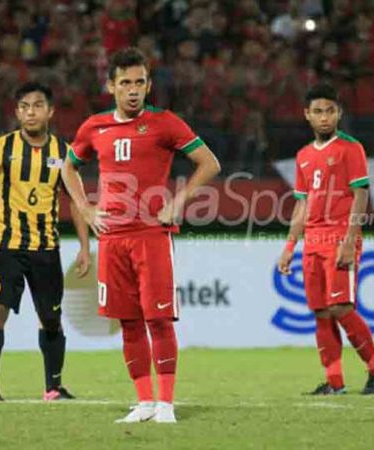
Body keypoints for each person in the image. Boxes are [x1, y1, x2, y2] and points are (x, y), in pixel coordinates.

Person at [61, 48, 221, 423]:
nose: (133, 90)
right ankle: (144, 402)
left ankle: (166, 405)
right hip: (112, 238)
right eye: (125, 83)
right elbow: (69, 167)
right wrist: (85, 208)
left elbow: (209, 163)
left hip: (151, 234)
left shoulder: (165, 123)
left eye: (140, 82)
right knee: (128, 322)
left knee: (158, 319)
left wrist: (178, 201)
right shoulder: (93, 127)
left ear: (148, 85)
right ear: (111, 86)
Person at [0, 82, 91, 401]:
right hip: (8, 247)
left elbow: (76, 201)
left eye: (37, 106)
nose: (31, 112)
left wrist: (84, 246)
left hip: (46, 249)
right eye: (25, 106)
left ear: (50, 111)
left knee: (51, 317)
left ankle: (53, 387)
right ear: (16, 112)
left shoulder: (63, 153)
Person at [277, 84, 374, 396]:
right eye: (318, 111)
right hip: (312, 242)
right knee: (322, 312)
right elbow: (301, 205)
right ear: (307, 115)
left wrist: (349, 239)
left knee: (341, 307)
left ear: (339, 113)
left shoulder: (350, 148)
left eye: (330, 111)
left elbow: (361, 195)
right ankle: (335, 381)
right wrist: (289, 247)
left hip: (340, 237)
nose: (324, 117)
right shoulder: (302, 156)